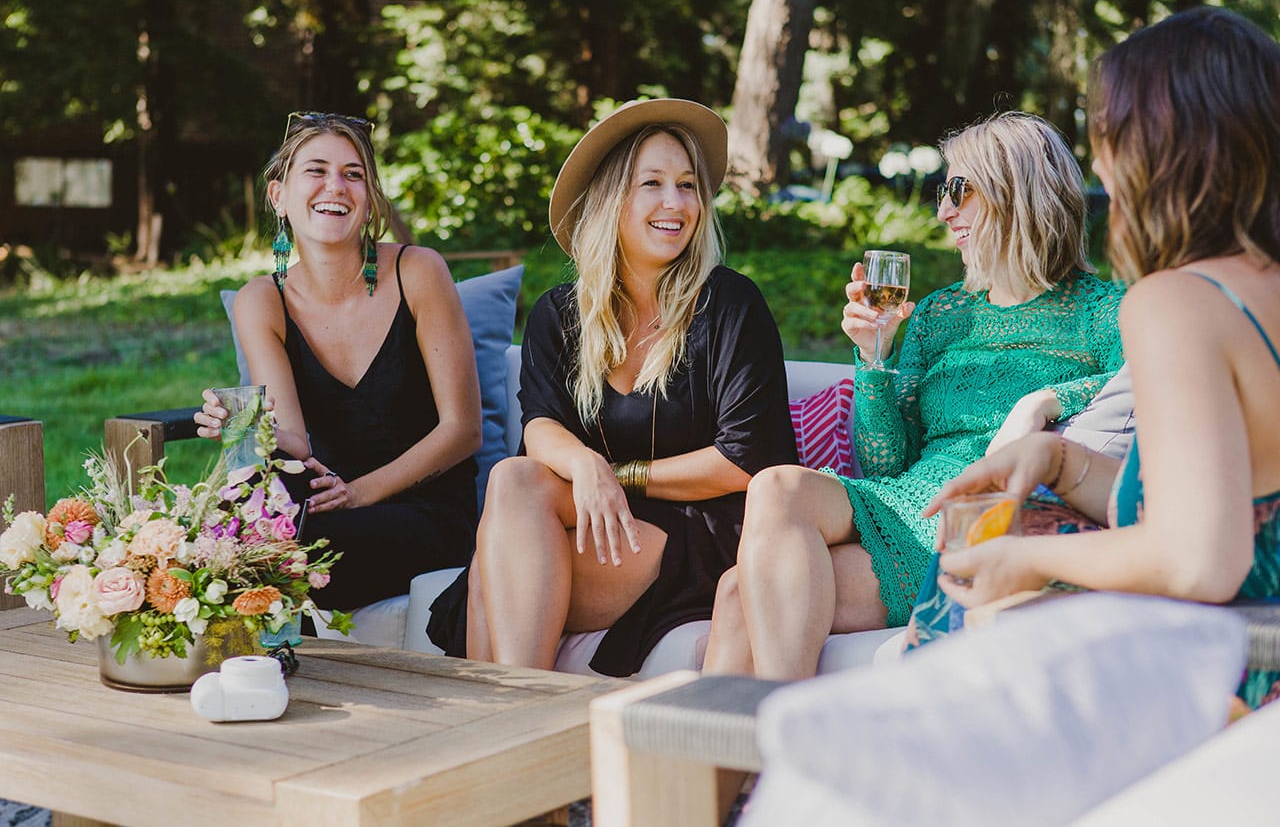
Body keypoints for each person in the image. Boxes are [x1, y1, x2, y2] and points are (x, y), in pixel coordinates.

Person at [931, 8, 1280, 708]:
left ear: (1161, 146)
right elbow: (1235, 506)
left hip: (1228, 682)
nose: (1097, 162)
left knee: (948, 612)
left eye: (1108, 134)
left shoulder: (1176, 302)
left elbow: (1200, 558)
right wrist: (1060, 460)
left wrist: (1025, 559)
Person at [703, 111, 1126, 680]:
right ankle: (779, 733)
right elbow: (886, 462)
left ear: (1016, 192)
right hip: (907, 502)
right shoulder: (938, 314)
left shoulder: (1101, 309)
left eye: (959, 189)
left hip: (979, 519)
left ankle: (774, 747)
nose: (943, 210)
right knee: (775, 492)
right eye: (941, 191)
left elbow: (1144, 381)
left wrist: (1044, 400)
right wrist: (875, 357)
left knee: (737, 593)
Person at [427, 98, 797, 675]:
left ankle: (512, 717)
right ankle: (520, 718)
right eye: (652, 184)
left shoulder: (729, 303)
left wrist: (620, 475)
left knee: (493, 574)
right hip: (593, 520)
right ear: (611, 199)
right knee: (513, 478)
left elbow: (750, 460)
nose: (675, 203)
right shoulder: (561, 314)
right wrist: (588, 469)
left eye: (687, 185)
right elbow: (540, 424)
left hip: (699, 531)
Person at [194, 111, 482, 610]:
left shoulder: (419, 270)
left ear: (369, 198)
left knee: (286, 551)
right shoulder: (260, 300)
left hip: (427, 511)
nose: (337, 186)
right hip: (327, 503)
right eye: (317, 170)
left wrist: (360, 493)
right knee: (226, 530)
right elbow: (294, 442)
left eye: (354, 174)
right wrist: (238, 424)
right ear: (278, 195)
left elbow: (463, 430)